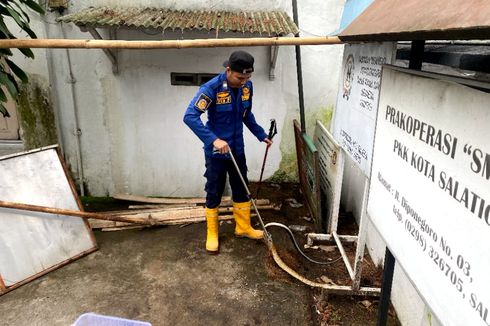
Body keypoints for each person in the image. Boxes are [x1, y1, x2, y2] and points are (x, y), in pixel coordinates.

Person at [183, 50, 273, 254]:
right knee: (214, 189)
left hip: (237, 149)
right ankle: (212, 233)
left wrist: (260, 134)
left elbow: (246, 114)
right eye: (240, 77)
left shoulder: (246, 87)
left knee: (241, 186)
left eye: (248, 77)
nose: (244, 81)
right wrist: (213, 139)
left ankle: (243, 227)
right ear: (228, 70)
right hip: (216, 153)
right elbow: (190, 116)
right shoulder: (211, 88)